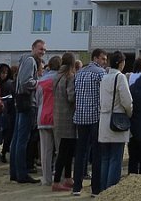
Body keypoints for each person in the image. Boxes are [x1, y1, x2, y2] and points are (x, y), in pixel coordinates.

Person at [11, 38, 46, 184]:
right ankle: (21, 173)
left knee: (17, 139)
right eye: (41, 49)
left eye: (44, 50)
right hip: (27, 103)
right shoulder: (30, 61)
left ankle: (15, 172)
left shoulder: (26, 60)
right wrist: (39, 82)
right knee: (22, 140)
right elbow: (26, 82)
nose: (43, 52)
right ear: (33, 48)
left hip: (22, 102)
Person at [73, 48, 107, 197]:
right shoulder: (101, 73)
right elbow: (104, 95)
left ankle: (76, 186)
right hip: (95, 116)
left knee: (80, 152)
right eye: (103, 58)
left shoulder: (79, 73)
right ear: (95, 58)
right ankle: (95, 188)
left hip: (80, 116)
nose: (104, 61)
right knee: (97, 153)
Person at [98, 50, 132, 193]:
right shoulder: (120, 77)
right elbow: (127, 102)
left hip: (104, 120)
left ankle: (103, 190)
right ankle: (111, 191)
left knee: (105, 158)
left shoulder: (104, 77)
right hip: (117, 121)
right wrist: (129, 114)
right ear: (121, 63)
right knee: (115, 159)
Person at [52, 53, 77, 192]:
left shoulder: (57, 76)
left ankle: (67, 177)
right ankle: (57, 181)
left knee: (65, 149)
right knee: (65, 151)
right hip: (68, 117)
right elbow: (71, 97)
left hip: (58, 115)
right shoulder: (70, 76)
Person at [37, 55, 62, 187]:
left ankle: (46, 179)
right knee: (60, 150)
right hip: (58, 117)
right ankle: (59, 177)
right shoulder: (61, 79)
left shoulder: (41, 80)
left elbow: (37, 99)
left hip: (43, 116)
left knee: (45, 151)